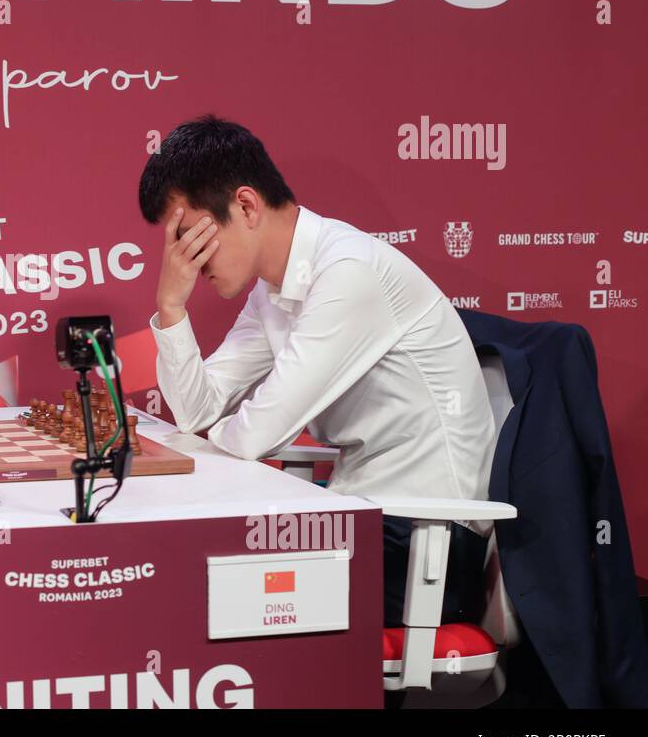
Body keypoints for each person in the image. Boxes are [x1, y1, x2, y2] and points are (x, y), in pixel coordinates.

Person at [139, 115, 497, 626]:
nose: (184, 260)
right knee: (196, 586)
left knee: (206, 600)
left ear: (245, 205)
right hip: (363, 524)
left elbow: (253, 434)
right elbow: (196, 409)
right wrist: (171, 305)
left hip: (425, 543)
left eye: (190, 237)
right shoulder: (272, 290)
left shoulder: (348, 272)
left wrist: (219, 434)